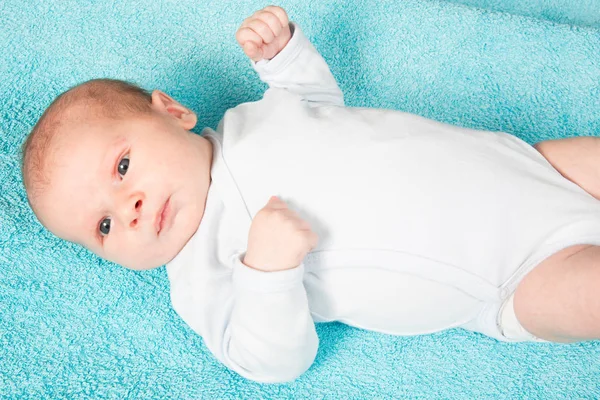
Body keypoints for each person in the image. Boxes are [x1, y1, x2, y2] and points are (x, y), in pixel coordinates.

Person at [20, 5, 600, 383]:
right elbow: (269, 362)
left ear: (172, 112)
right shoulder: (201, 277)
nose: (129, 209)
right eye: (102, 227)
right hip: (511, 277)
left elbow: (320, 107)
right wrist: (267, 273)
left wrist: (284, 58)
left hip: (526, 164)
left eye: (122, 166)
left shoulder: (253, 118)